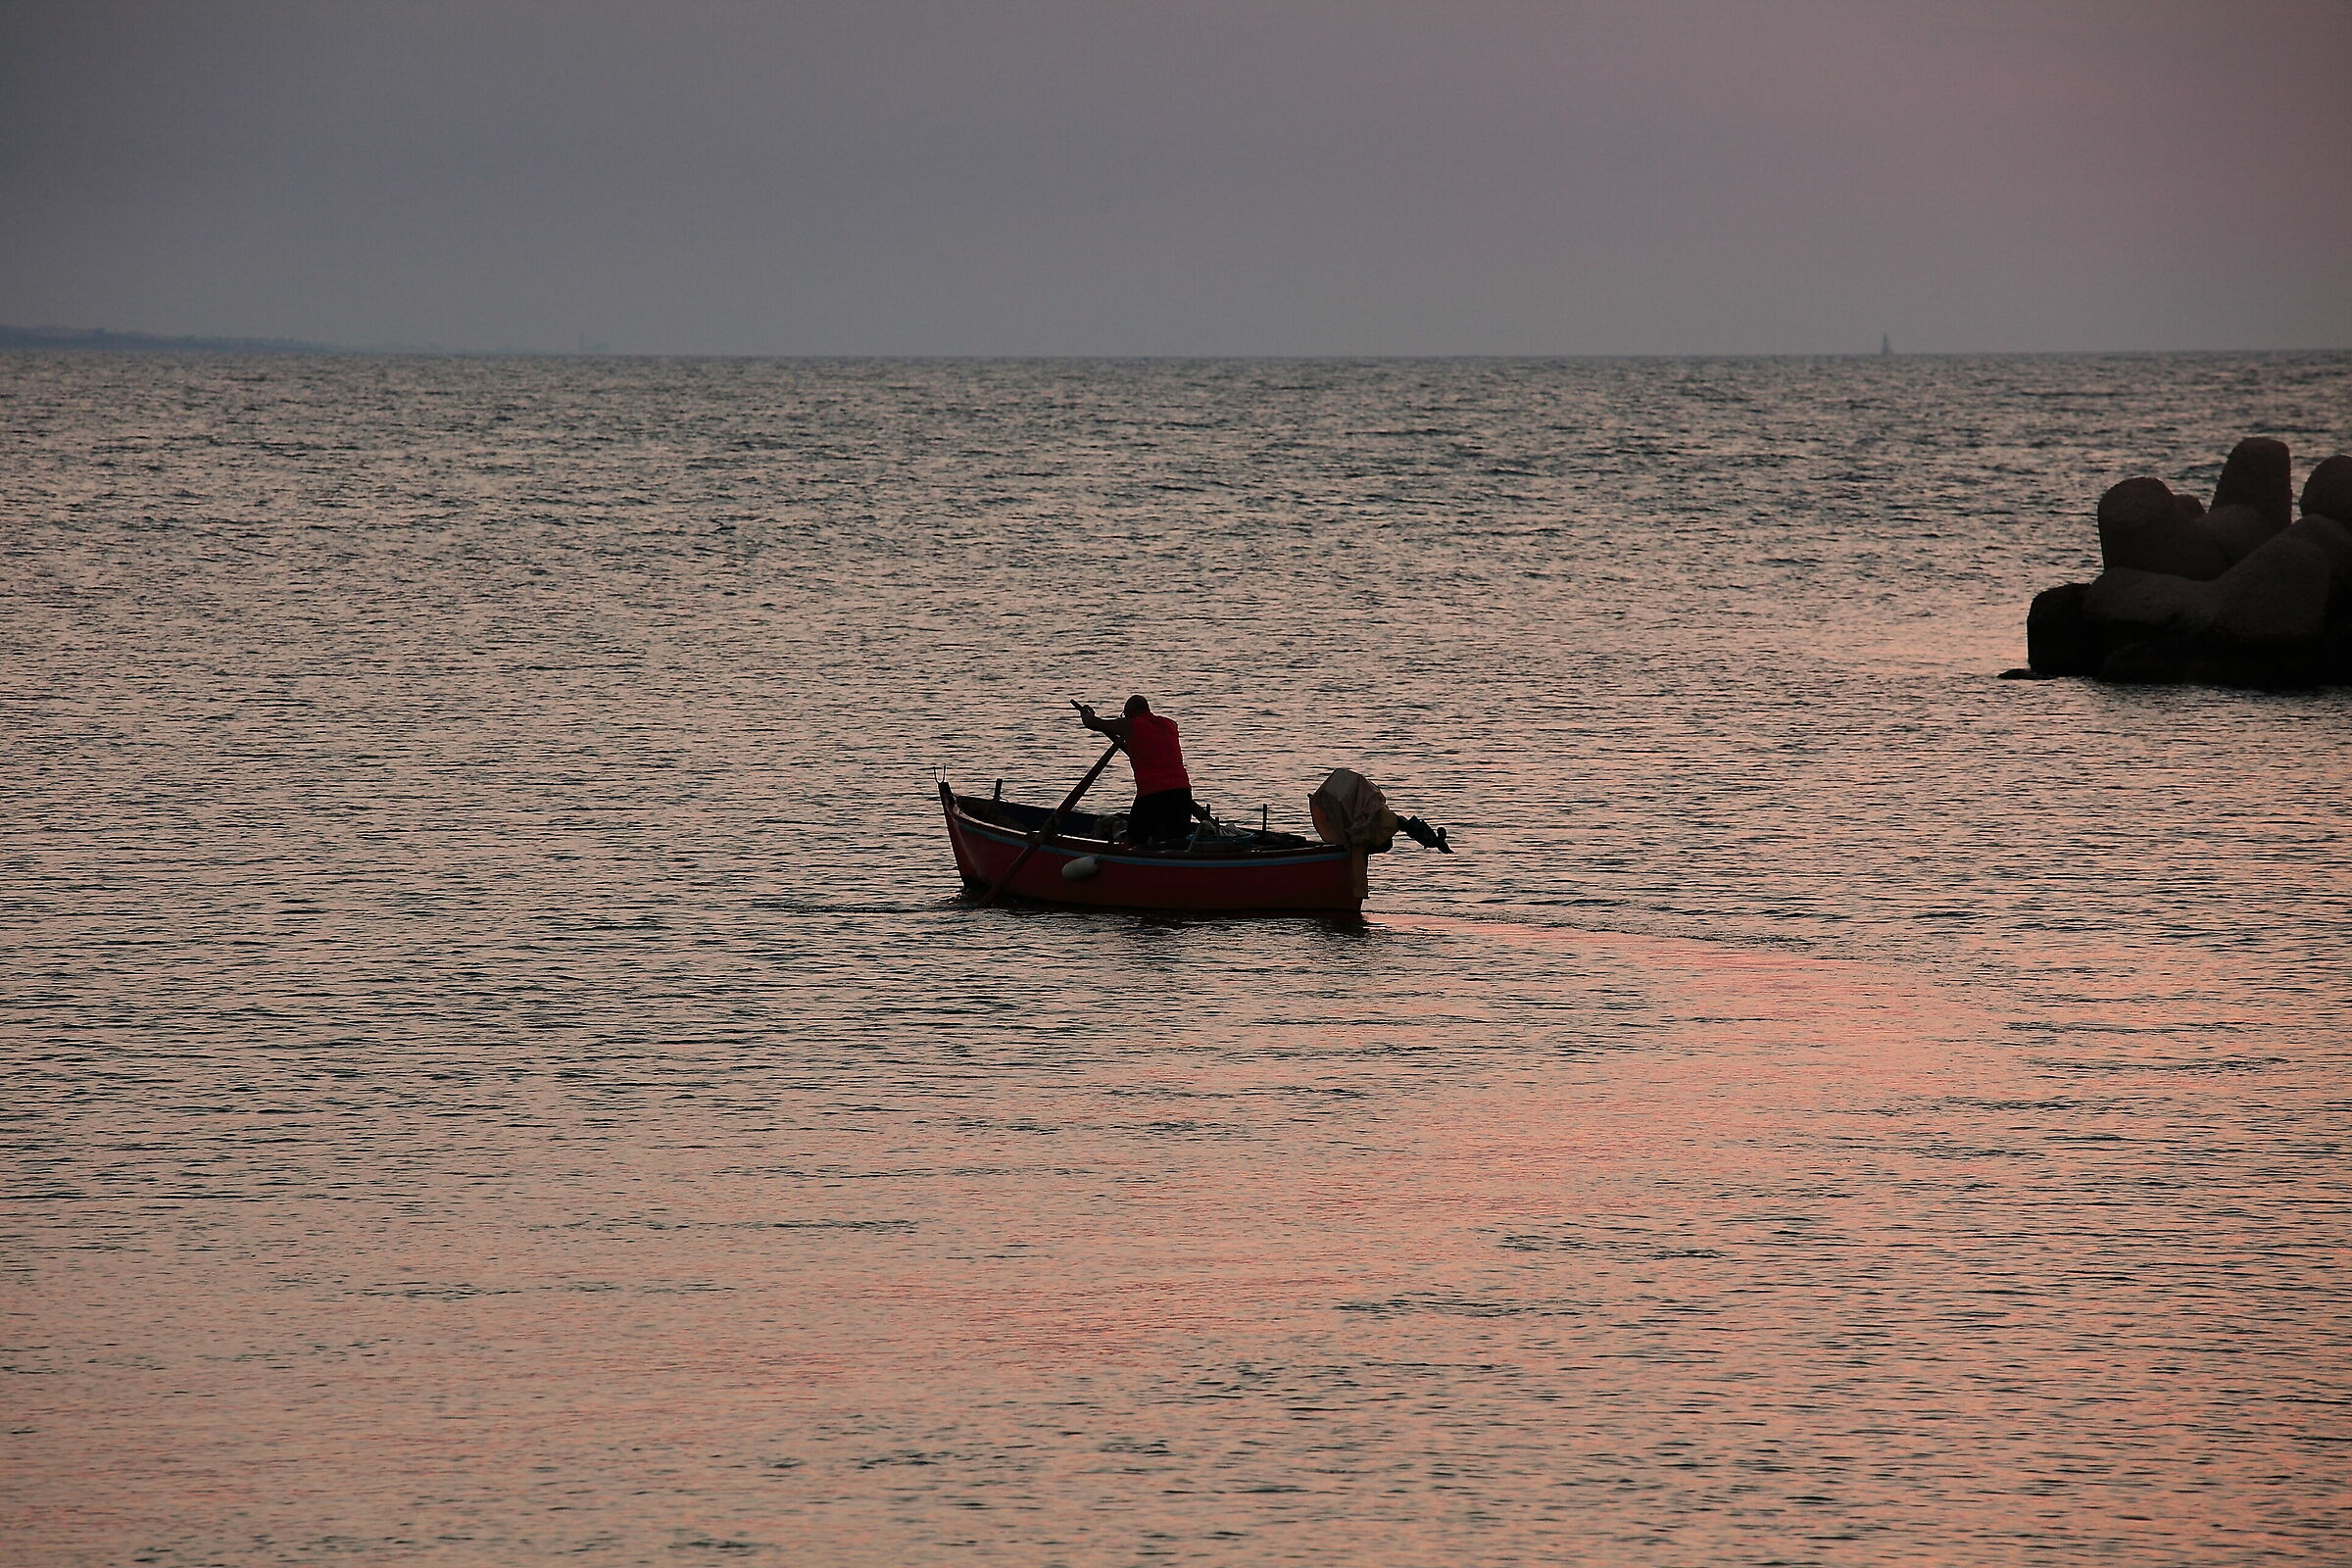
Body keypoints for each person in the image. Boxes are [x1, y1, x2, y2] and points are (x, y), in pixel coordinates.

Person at [1077, 695, 1200, 845]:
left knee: (1133, 841)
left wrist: (1087, 714)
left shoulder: (1130, 724)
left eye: (1124, 714)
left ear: (1130, 713)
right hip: (1182, 793)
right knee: (1176, 841)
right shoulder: (1170, 724)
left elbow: (1093, 723)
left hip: (1152, 794)